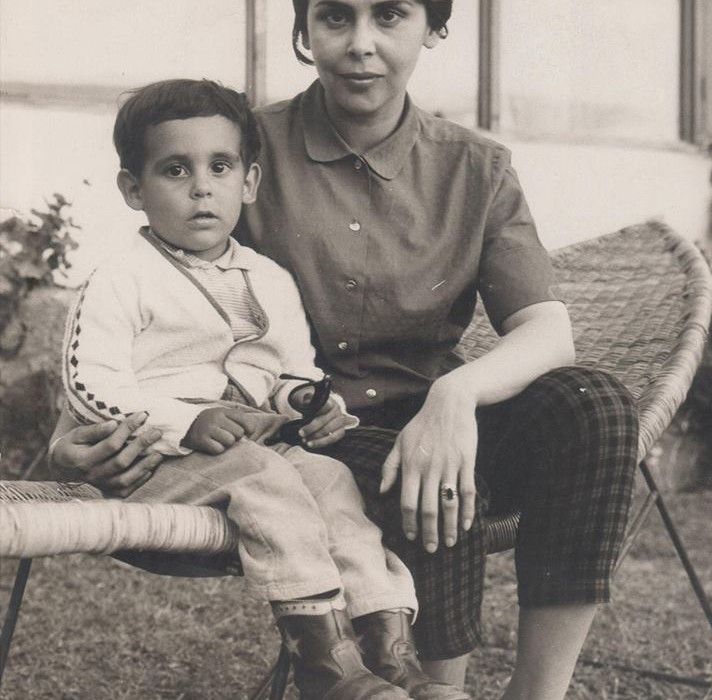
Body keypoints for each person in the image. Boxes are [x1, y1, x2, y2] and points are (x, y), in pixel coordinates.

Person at [50, 2, 639, 697]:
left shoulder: (474, 167)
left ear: (434, 28)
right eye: (334, 16)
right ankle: (430, 688)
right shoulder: (233, 148)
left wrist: (453, 398)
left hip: (429, 411)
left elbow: (547, 329)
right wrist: (71, 439)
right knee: (426, 475)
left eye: (389, 15)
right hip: (310, 436)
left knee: (595, 404)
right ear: (303, 30)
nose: (361, 43)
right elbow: (158, 313)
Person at [58, 77, 470, 700]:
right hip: (157, 459)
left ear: (248, 182)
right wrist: (182, 422)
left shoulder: (268, 277)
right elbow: (90, 383)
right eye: (175, 170)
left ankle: (389, 656)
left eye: (220, 167)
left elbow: (291, 372)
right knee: (266, 477)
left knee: (331, 481)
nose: (202, 187)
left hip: (253, 454)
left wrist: (306, 401)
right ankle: (325, 664)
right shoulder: (122, 278)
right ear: (133, 189)